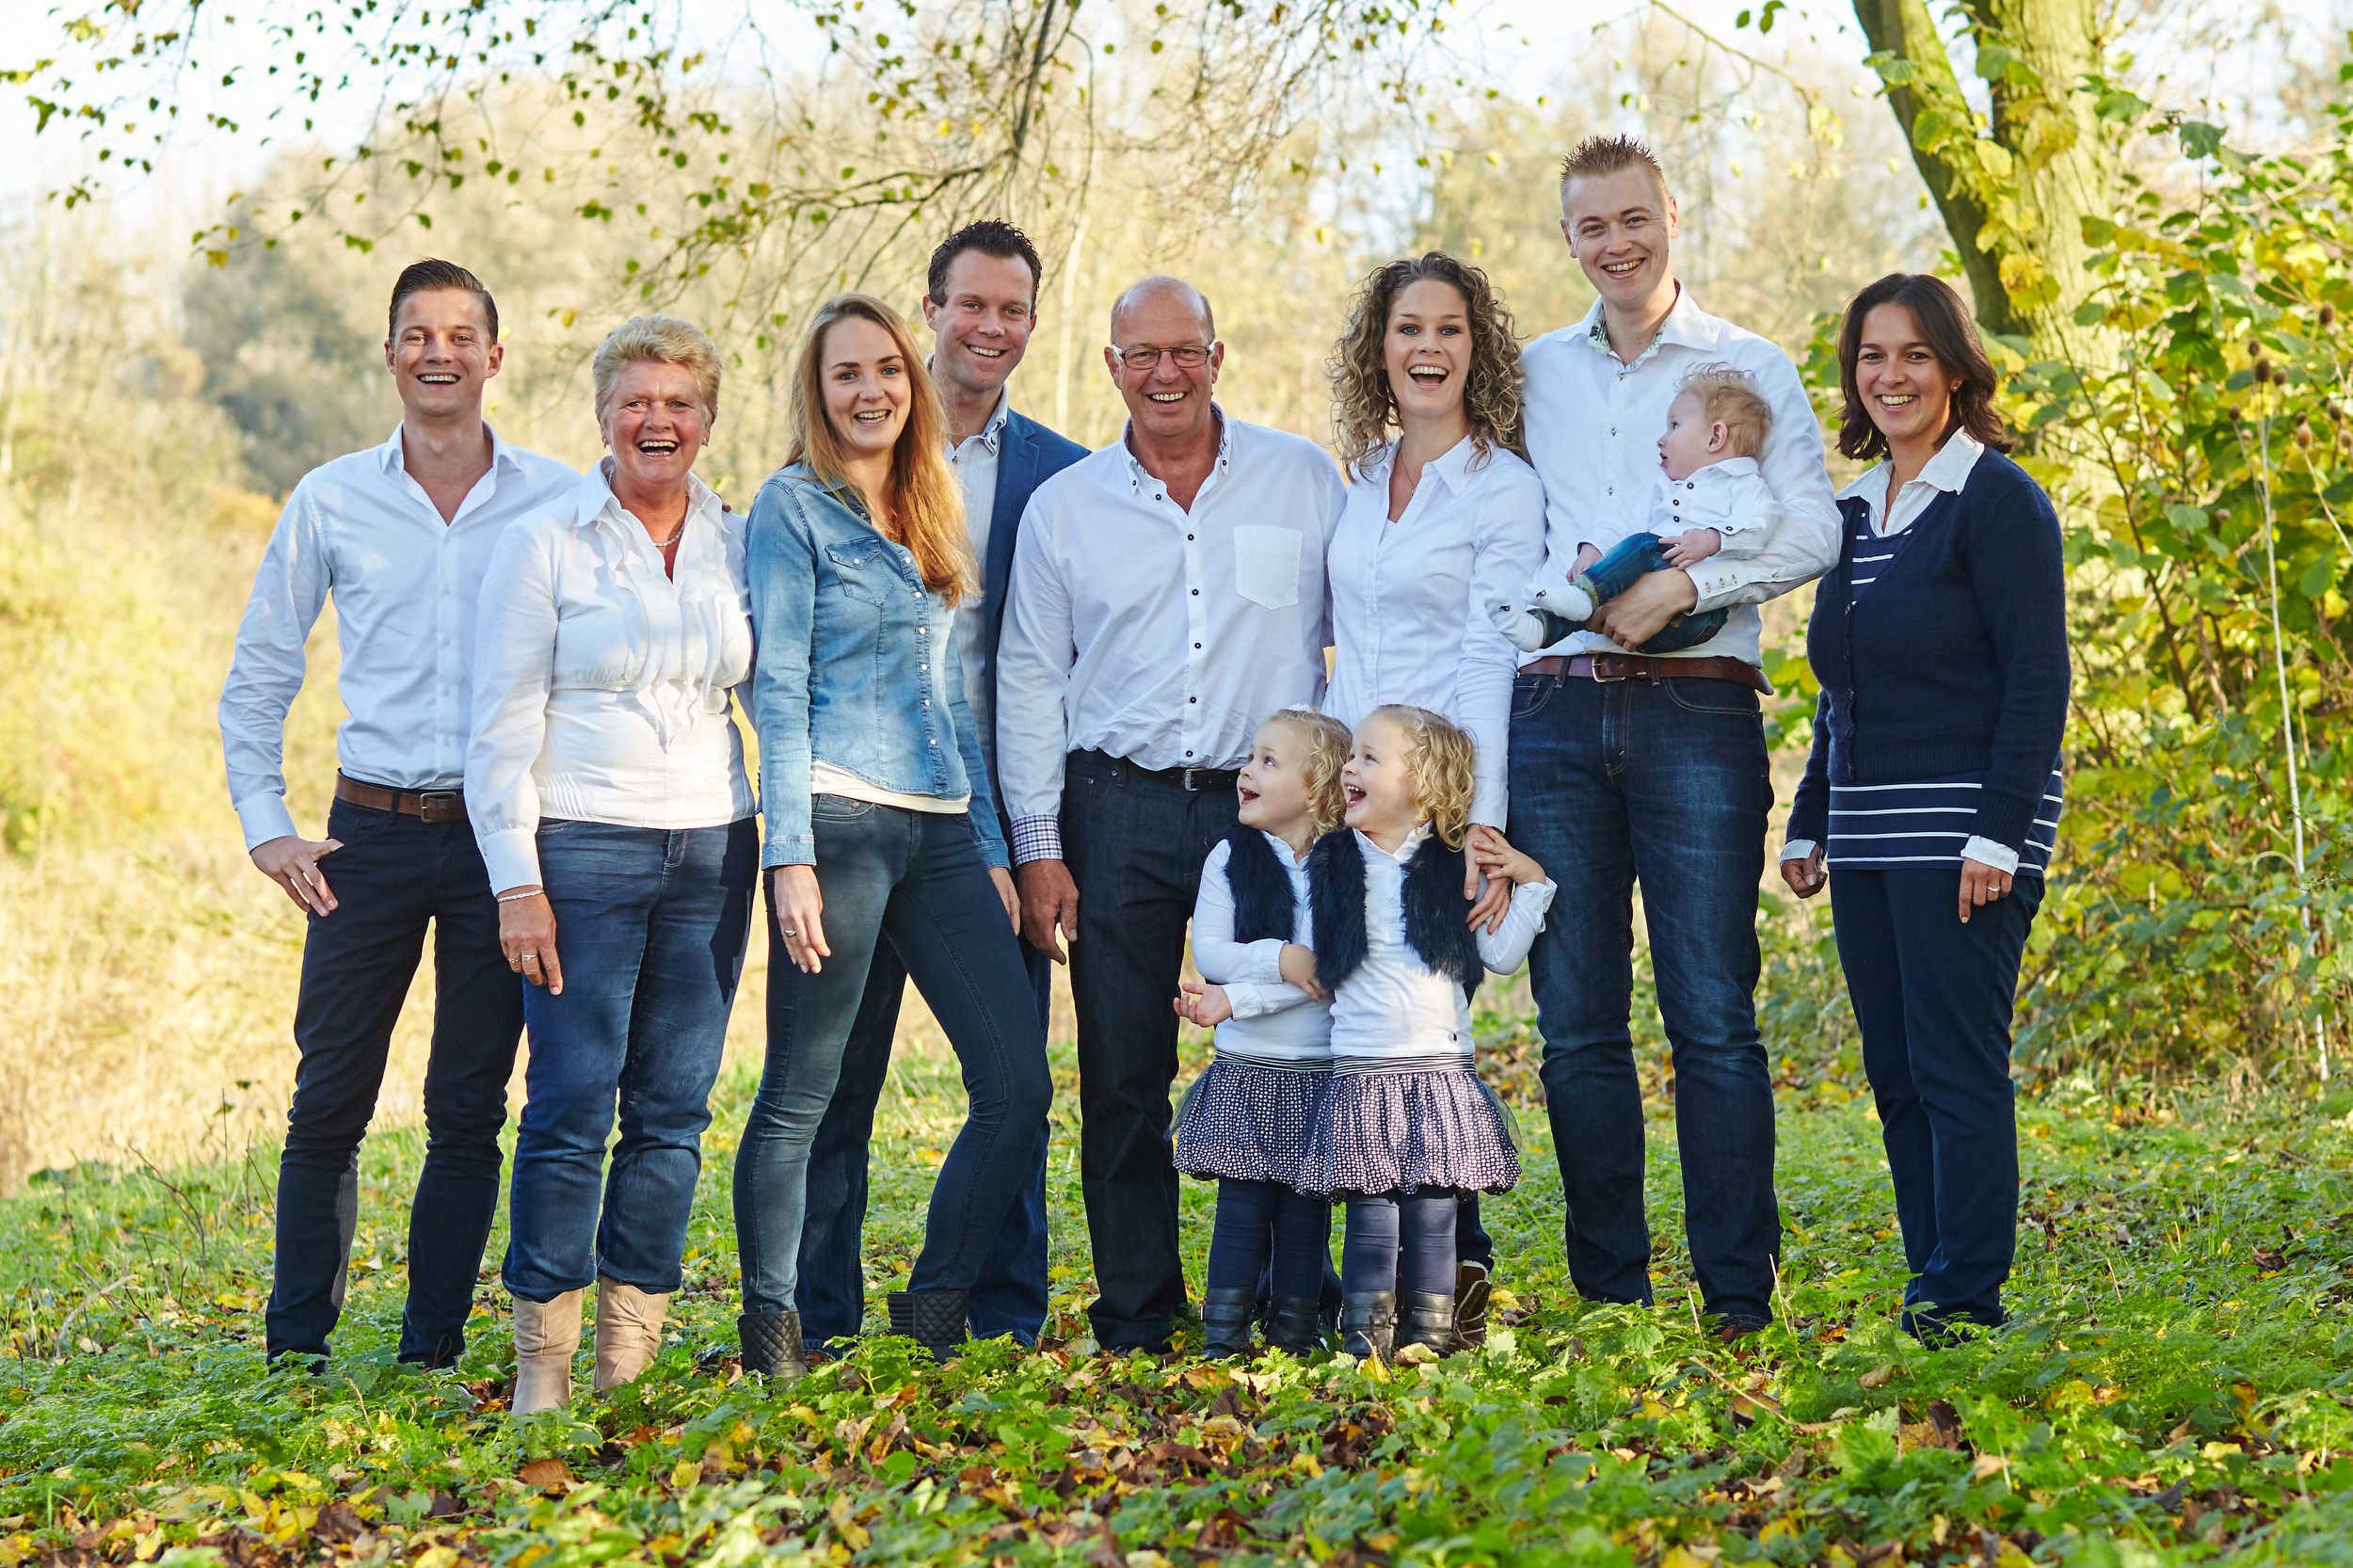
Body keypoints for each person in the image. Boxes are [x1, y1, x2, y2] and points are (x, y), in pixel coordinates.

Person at [1507, 135, 1839, 1338]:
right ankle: (1610, 1297)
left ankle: (1737, 1298)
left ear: (1671, 217)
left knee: (1711, 1011)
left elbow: (1811, 529)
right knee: (1575, 1018)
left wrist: (1682, 593)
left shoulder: (1747, 363)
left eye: (1633, 219)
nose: (1616, 244)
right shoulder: (1532, 369)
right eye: (1591, 227)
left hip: (1696, 706)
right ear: (1568, 240)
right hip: (1550, 708)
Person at [218, 259, 576, 1368]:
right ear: (388, 355)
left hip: (496, 839)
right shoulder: (332, 496)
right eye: (416, 334)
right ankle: (295, 1354)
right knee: (327, 1099)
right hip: (361, 836)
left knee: (468, 1106)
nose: (437, 352)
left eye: (460, 334)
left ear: (494, 358)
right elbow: (260, 672)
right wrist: (265, 821)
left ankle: (430, 1351)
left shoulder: (560, 497)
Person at [996, 276, 1345, 1354]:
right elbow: (1026, 679)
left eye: (1182, 351)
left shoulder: (1299, 480)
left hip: (1272, 818)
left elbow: (1359, 632)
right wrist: (1042, 847)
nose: (1163, 373)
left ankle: (1297, 1301)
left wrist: (1344, 805)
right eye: (1138, 354)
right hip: (1121, 810)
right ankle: (1139, 1310)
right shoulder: (1068, 508)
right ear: (1109, 365)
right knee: (1122, 1071)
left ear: (1217, 355)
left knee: (1297, 1052)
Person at [732, 294, 1051, 1379]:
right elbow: (773, 686)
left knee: (1017, 1082)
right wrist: (790, 856)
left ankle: (936, 1303)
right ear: (817, 396)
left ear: (910, 384)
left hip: (944, 823)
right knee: (808, 1093)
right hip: (840, 815)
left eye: (885, 370)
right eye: (844, 375)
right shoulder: (790, 508)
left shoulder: (929, 501)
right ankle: (782, 1328)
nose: (869, 390)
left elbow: (951, 696)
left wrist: (998, 850)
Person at [796, 221, 1085, 1354]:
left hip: (990, 818)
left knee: (1011, 1077)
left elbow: (1051, 664)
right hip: (860, 811)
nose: (991, 328)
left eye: (1013, 309)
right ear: (930, 313)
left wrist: (1032, 840)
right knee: (839, 1089)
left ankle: (993, 1312)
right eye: (971, 305)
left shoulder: (1060, 474)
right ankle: (820, 1317)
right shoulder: (830, 476)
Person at [466, 316, 757, 1413]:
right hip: (581, 849)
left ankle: (625, 1363)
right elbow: (496, 726)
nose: (658, 421)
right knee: (570, 1105)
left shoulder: (736, 536)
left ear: (707, 421)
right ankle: (541, 1369)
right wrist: (516, 881)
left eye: (679, 403)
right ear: (601, 416)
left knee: (673, 1111)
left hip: (716, 846)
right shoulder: (548, 541)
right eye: (637, 401)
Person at [1781, 273, 2068, 1340]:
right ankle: (1928, 1276)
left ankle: (1967, 1295)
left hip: (1965, 839)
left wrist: (1999, 828)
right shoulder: (1852, 511)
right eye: (1870, 356)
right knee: (1895, 1072)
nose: (1889, 375)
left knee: (1954, 1066)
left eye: (1911, 355)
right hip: (1863, 837)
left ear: (1954, 368)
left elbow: (2038, 680)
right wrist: (1809, 812)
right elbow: (1841, 686)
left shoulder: (1996, 500)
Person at [1321, 250, 1545, 1338]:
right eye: (1409, 328)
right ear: (1380, 346)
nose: (1427, 348)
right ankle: (1366, 1285)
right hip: (1350, 801)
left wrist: (1477, 821)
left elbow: (1487, 660)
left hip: (1439, 801)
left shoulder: (1502, 486)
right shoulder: (1357, 477)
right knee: (1356, 1034)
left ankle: (1451, 1281)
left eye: (1450, 330)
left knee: (1429, 1046)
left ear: (1477, 348)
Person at [1295, 705, 1555, 1359]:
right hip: (1362, 1070)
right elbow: (1303, 961)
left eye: (1369, 758)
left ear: (1426, 785)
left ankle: (1430, 1338)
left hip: (1439, 1071)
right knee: (1371, 1213)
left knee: (1436, 1212)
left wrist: (1533, 883)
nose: (1349, 767)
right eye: (1351, 755)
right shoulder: (1326, 864)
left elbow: (1499, 957)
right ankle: (1364, 1339)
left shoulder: (1451, 866)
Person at [1168, 708, 1351, 1358]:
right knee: (1243, 1210)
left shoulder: (1348, 865)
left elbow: (1333, 974)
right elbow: (1212, 952)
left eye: (1269, 762)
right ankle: (1224, 1336)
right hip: (1249, 1069)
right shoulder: (1229, 857)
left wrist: (1239, 999)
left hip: (1318, 1068)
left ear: (1321, 790)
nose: (1247, 770)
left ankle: (1296, 1334)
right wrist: (1282, 959)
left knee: (1306, 1214)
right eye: (1251, 756)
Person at [1496, 362, 1780, 655]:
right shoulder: (1662, 488)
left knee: (1644, 544)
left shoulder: (1743, 484)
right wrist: (1594, 548)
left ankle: (1582, 595)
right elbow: (1620, 519)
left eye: (1675, 426)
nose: (1661, 438)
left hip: (1697, 617)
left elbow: (1759, 527)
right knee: (1610, 589)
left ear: (1715, 437)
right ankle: (1540, 630)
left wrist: (1713, 539)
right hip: (1635, 615)